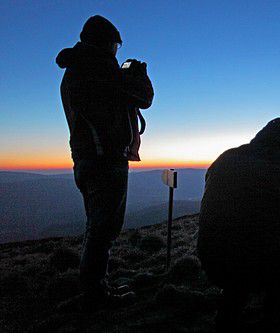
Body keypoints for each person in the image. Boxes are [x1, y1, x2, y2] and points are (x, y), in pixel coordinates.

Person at [197, 118, 280, 331]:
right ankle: (278, 298)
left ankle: (232, 302)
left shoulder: (225, 158)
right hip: (262, 267)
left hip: (212, 261)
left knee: (241, 237)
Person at [56, 15, 154, 306]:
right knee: (104, 229)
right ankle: (94, 294)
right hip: (105, 159)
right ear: (106, 43)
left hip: (86, 157)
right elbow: (144, 97)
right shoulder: (98, 68)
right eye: (115, 46)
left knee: (97, 226)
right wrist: (140, 74)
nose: (116, 53)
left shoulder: (76, 69)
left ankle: (94, 287)